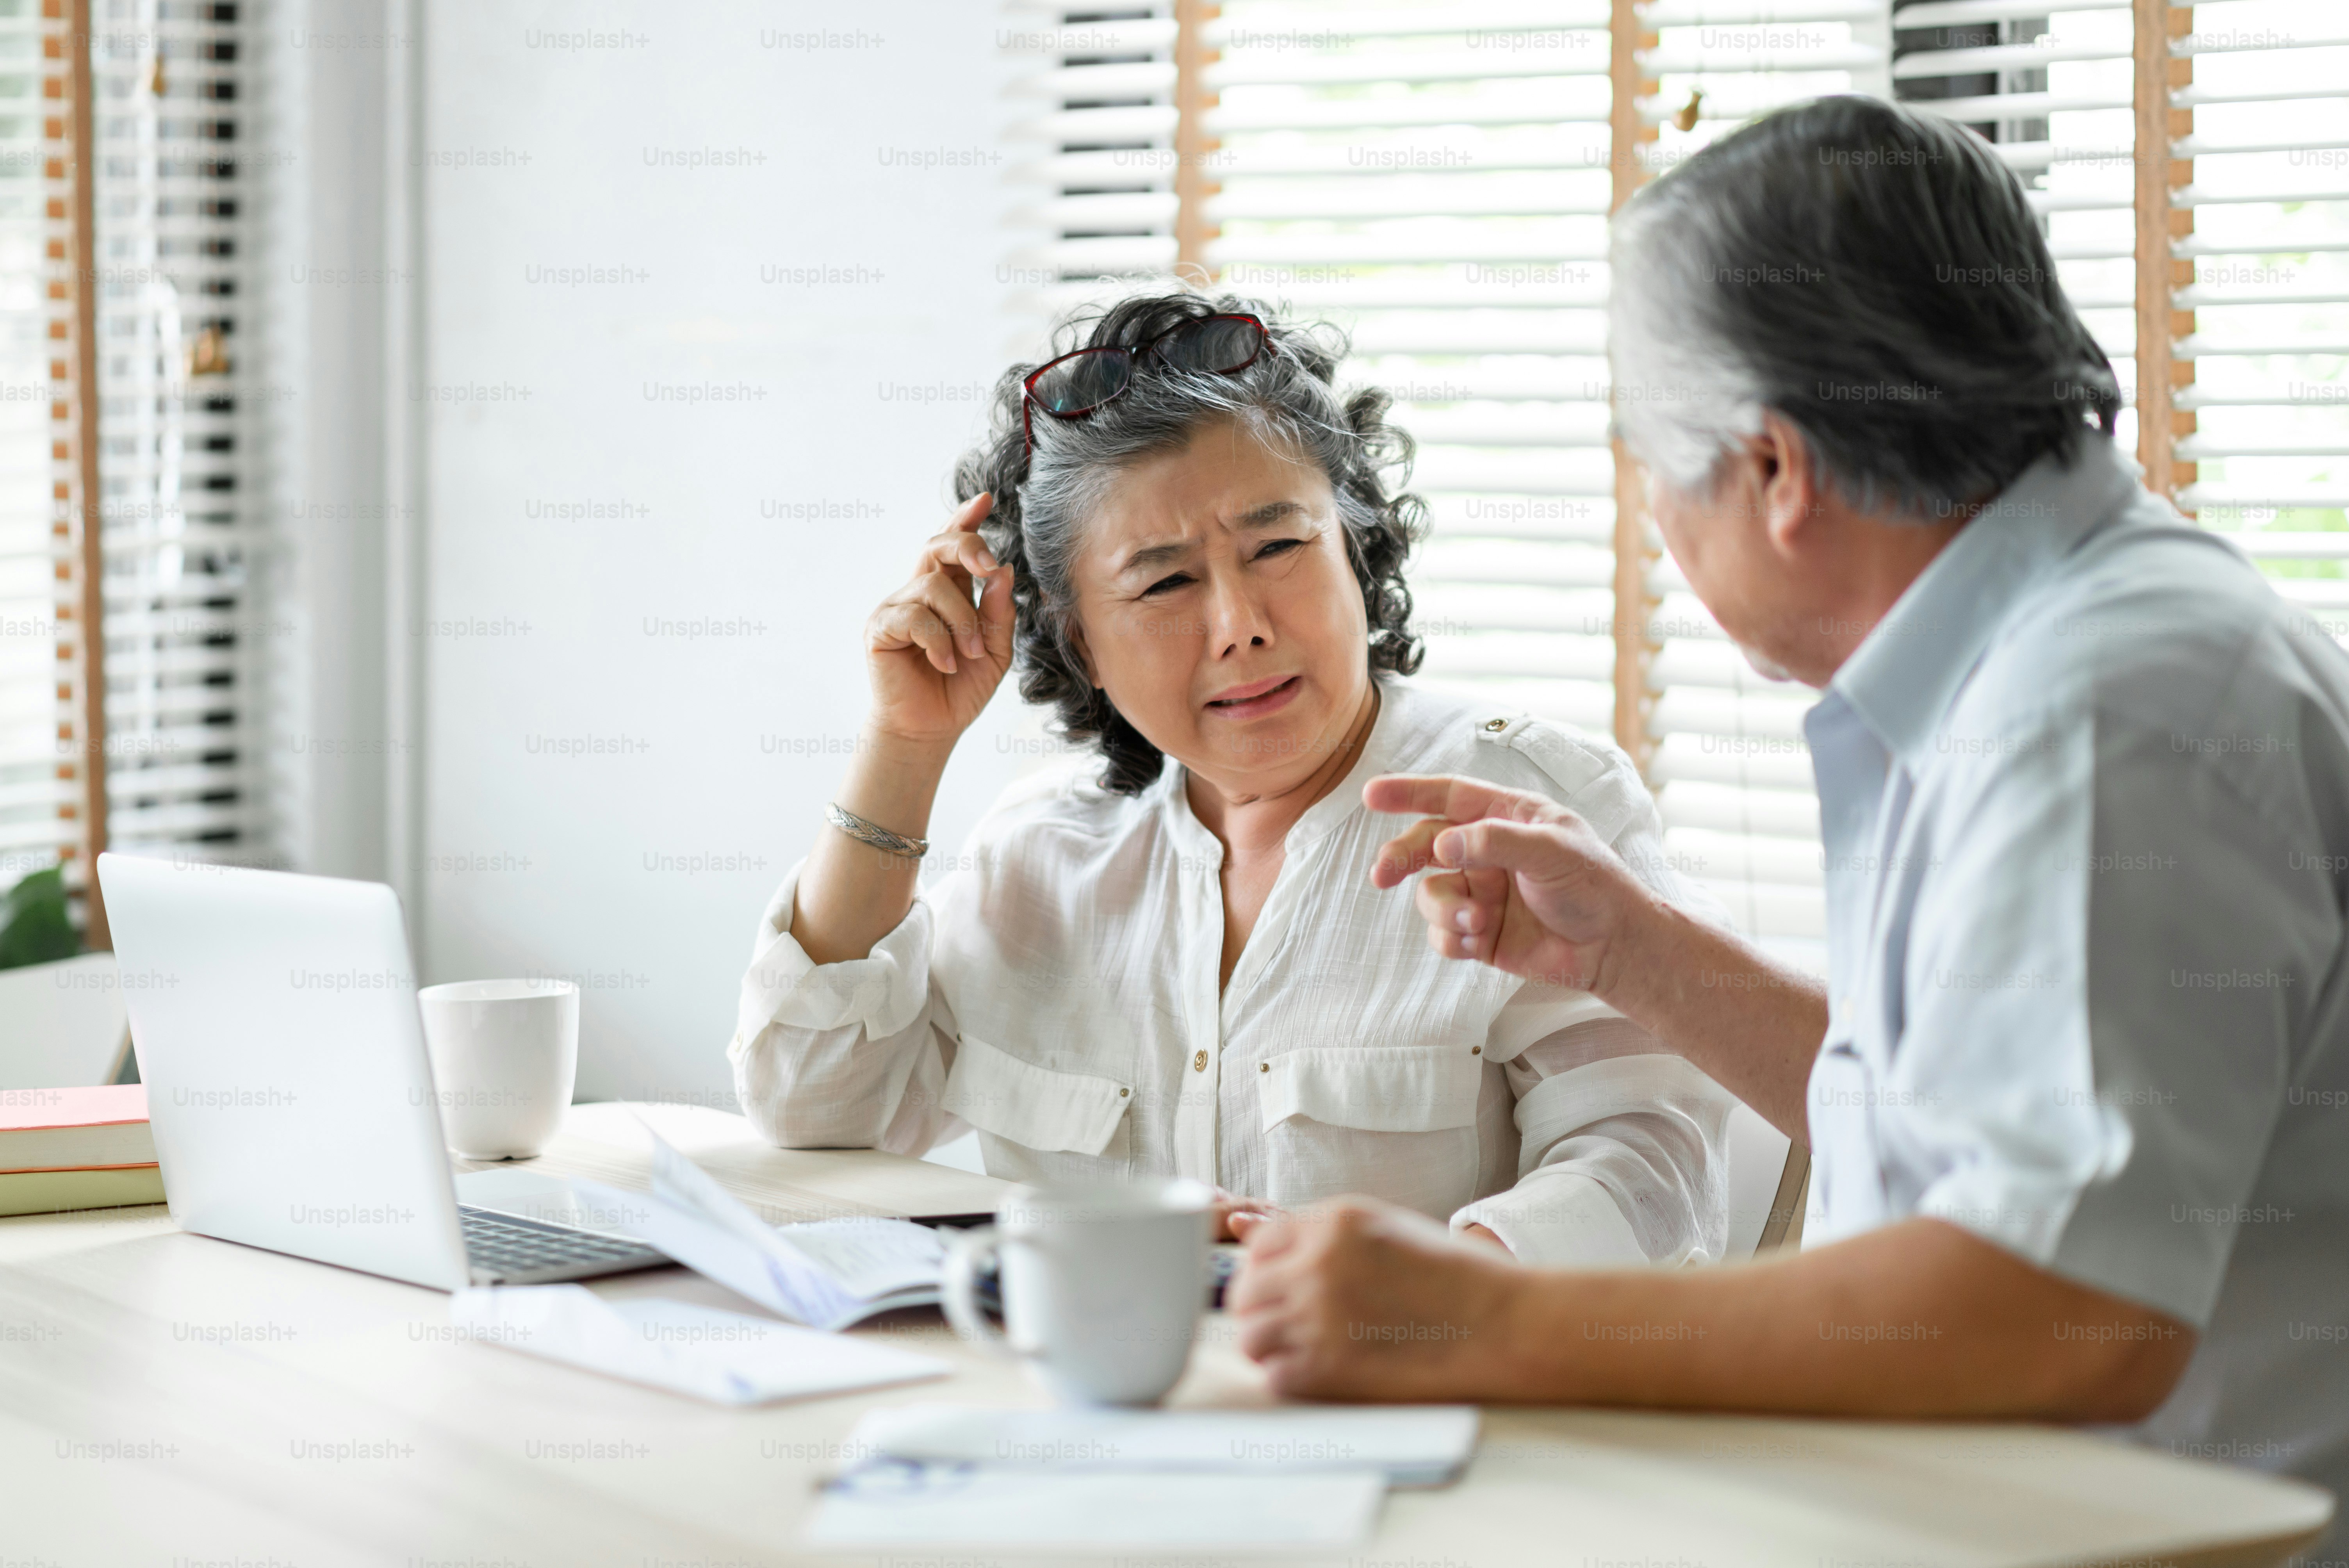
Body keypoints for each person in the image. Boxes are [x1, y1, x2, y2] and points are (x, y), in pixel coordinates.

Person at [1228, 96, 2349, 1515]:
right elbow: (1960, 1132)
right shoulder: (2051, 654)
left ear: (1774, 471)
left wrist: (1480, 1325)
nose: (1651, 517)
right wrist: (1634, 957)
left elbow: (2055, 1301)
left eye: (1650, 461)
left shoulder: (2103, 710)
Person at [729, 294, 1743, 1265]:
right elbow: (814, 1106)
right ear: (1077, 639)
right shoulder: (1039, 853)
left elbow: (1650, 1167)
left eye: (1279, 546)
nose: (1241, 623)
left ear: (1356, 545)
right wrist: (906, 746)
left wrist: (1430, 1284)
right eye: (1166, 580)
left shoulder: (1530, 811)